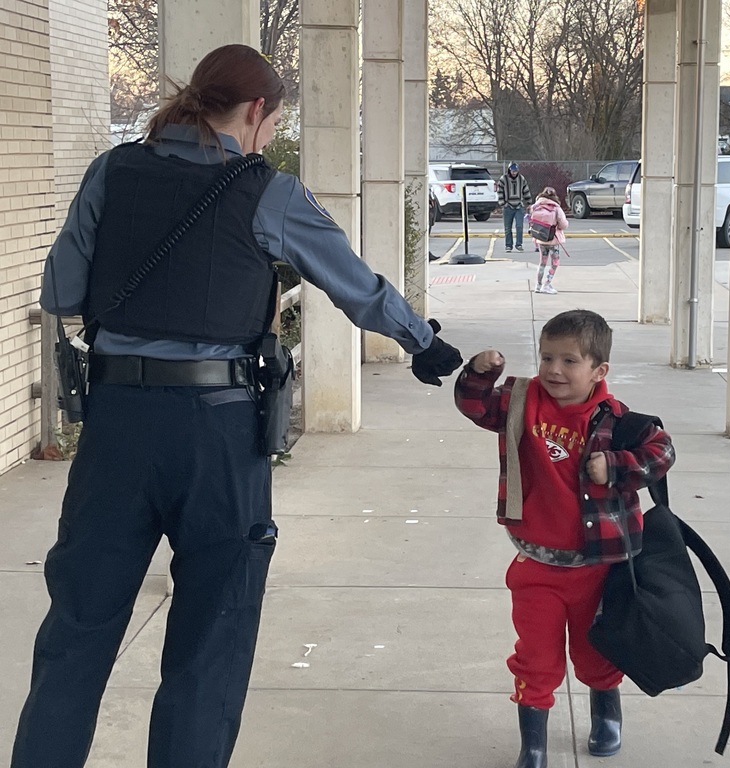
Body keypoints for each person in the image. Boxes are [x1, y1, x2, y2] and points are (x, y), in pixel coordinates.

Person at [12, 44, 462, 768]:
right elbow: (353, 283)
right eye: (268, 122)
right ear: (257, 112)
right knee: (210, 644)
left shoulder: (112, 170)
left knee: (76, 635)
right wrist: (421, 343)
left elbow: (61, 294)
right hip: (217, 434)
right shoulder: (266, 191)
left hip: (116, 426)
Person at [454, 310, 675, 768]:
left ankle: (606, 713)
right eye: (547, 357)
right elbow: (476, 407)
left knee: (595, 652)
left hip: (599, 566)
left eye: (570, 361)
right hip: (536, 564)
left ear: (599, 371)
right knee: (536, 658)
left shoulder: (619, 421)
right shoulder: (520, 400)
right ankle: (533, 743)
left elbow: (662, 452)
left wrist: (615, 468)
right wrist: (478, 373)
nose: (554, 369)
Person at [527, 187, 569, 294]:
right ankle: (547, 284)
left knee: (542, 263)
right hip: (553, 239)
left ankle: (538, 285)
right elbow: (563, 224)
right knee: (555, 262)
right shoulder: (556, 208)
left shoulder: (536, 207)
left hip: (540, 239)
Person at [497, 161, 533, 253]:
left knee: (519, 226)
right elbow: (500, 191)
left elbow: (526, 190)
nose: (514, 173)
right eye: (512, 171)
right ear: (509, 170)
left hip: (519, 206)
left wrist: (529, 202)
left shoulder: (521, 179)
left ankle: (519, 244)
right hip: (508, 206)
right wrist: (502, 203)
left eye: (516, 171)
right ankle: (508, 245)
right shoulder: (503, 179)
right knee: (508, 227)